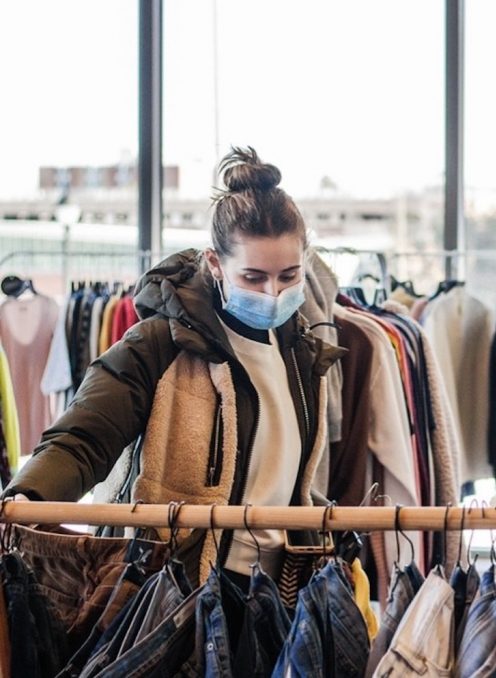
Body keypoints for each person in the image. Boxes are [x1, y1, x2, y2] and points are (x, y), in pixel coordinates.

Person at [4, 147, 344, 584]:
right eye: (253, 278)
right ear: (215, 263)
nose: (273, 292)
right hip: (180, 589)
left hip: (282, 590)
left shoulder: (303, 352)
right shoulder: (160, 343)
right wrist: (25, 500)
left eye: (289, 276)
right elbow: (83, 438)